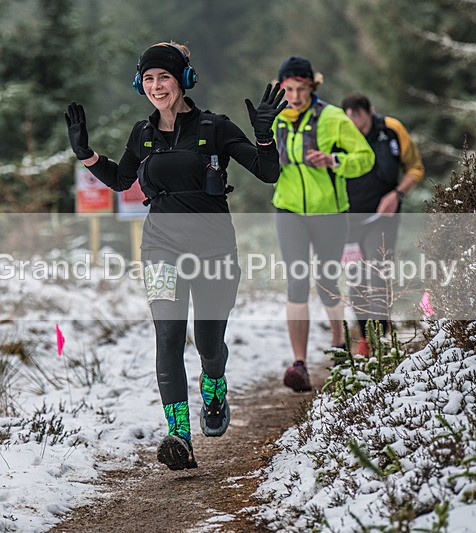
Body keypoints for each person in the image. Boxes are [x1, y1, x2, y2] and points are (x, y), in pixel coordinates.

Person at [65, 42, 285, 471]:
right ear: (139, 84)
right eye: (148, 79)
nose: (156, 86)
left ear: (183, 80)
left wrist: (263, 135)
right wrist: (85, 154)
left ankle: (215, 386)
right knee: (167, 336)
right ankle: (179, 434)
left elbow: (268, 172)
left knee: (207, 343)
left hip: (214, 249)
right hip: (161, 248)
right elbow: (120, 179)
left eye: (164, 77)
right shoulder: (141, 134)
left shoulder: (215, 127)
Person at [270, 56, 375, 393]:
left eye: (302, 89)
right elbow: (264, 157)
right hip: (288, 209)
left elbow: (365, 158)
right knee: (296, 283)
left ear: (312, 87)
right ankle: (299, 364)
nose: (295, 96)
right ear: (281, 87)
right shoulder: (276, 118)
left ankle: (338, 340)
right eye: (289, 89)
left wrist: (334, 160)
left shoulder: (332, 117)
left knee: (327, 280)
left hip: (330, 211)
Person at [340, 92, 425, 356]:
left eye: (361, 119)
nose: (356, 126)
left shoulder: (391, 129)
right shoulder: (337, 135)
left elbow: (415, 168)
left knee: (377, 273)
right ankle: (365, 338)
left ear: (370, 112)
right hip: (347, 220)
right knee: (356, 279)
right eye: (350, 119)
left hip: (382, 215)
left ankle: (380, 338)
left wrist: (397, 194)